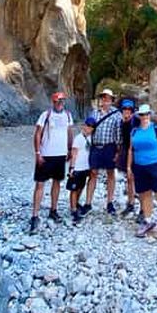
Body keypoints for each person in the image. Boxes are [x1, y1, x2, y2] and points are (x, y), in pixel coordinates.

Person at [127, 103, 157, 241]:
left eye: (147, 114)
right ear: (139, 116)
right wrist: (129, 167)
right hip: (140, 166)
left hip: (156, 166)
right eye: (142, 114)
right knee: (144, 195)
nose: (145, 117)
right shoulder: (134, 131)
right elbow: (131, 150)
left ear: (150, 115)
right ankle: (147, 221)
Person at [29, 91, 74, 234]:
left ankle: (53, 210)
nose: (60, 103)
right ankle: (35, 215)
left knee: (57, 182)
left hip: (60, 154)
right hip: (46, 154)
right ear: (53, 101)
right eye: (58, 101)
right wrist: (37, 153)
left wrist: (69, 149)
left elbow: (69, 132)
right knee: (40, 184)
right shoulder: (45, 115)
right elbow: (37, 133)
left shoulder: (68, 115)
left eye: (62, 101)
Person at [82, 88, 122, 216]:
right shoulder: (94, 113)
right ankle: (88, 203)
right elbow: (88, 129)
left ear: (111, 100)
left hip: (109, 147)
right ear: (101, 99)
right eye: (104, 98)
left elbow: (119, 134)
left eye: (108, 98)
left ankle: (110, 203)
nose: (105, 100)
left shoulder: (116, 114)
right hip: (96, 147)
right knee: (93, 173)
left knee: (110, 173)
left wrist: (118, 152)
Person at [67, 116, 95, 224]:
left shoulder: (91, 138)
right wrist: (72, 168)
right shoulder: (78, 138)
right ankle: (73, 209)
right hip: (77, 167)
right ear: (84, 126)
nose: (89, 128)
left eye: (91, 126)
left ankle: (76, 203)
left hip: (85, 167)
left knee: (81, 187)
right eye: (87, 125)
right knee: (74, 189)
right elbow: (74, 154)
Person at [115, 98, 139, 217]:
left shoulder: (136, 121)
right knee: (129, 179)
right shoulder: (122, 122)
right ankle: (131, 203)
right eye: (125, 109)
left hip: (137, 152)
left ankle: (143, 210)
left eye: (129, 109)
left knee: (139, 180)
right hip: (127, 151)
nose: (127, 111)